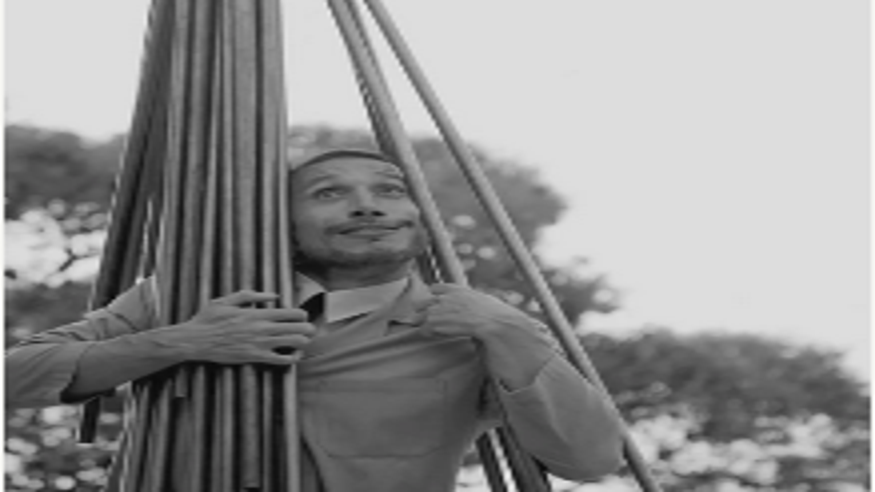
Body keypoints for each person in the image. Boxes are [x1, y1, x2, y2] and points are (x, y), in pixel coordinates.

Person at [7, 149, 625, 491]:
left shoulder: (479, 331)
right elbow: (14, 378)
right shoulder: (188, 296)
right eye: (329, 193)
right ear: (284, 226)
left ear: (418, 215)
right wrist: (184, 341)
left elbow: (591, 459)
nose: (367, 207)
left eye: (389, 190)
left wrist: (509, 333)